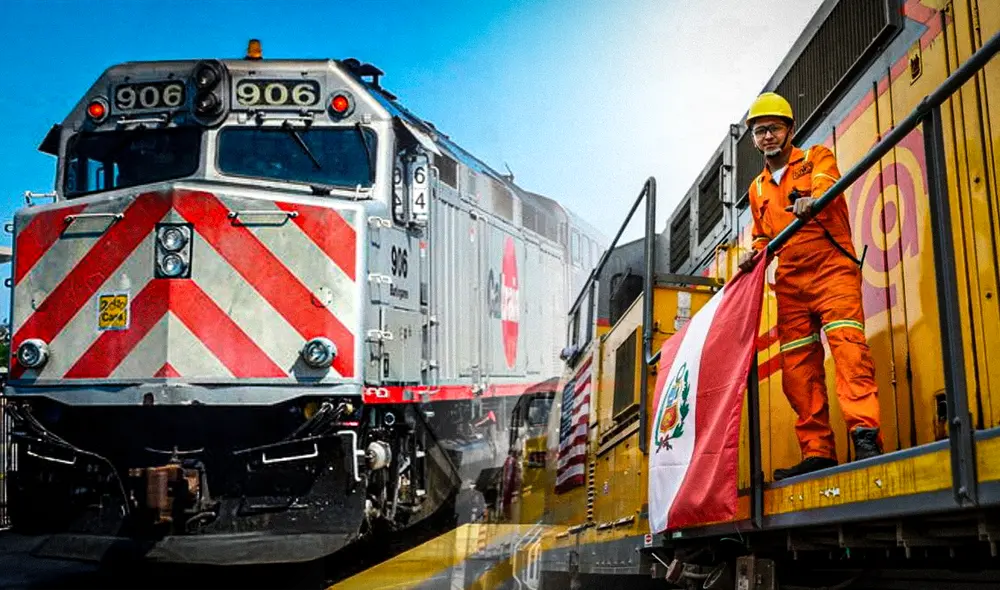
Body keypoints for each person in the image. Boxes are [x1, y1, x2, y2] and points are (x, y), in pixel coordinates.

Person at [738, 92, 882, 481]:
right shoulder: (757, 189)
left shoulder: (816, 157)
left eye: (774, 129)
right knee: (798, 371)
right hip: (790, 283)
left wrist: (813, 199)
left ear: (790, 131)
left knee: (849, 351)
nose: (767, 136)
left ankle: (865, 434)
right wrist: (752, 253)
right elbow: (760, 235)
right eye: (759, 131)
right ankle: (818, 451)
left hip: (831, 268)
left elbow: (827, 183)